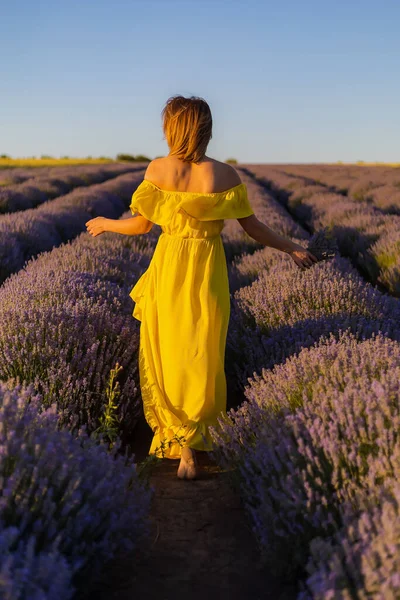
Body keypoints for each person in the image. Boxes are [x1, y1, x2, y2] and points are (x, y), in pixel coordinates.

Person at [85, 94, 318, 480]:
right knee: (203, 354)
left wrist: (107, 223)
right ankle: (194, 445)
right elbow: (254, 228)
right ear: (206, 130)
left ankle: (178, 443)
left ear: (172, 128)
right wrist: (292, 247)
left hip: (171, 264)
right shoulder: (226, 175)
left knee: (166, 351)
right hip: (208, 266)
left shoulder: (159, 169)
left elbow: (142, 225)